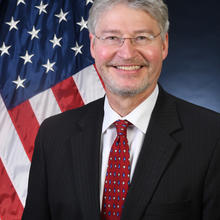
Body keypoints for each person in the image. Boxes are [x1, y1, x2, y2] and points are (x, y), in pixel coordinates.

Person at [22, 0, 220, 219]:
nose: (127, 53)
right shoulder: (54, 135)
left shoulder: (211, 137)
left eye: (142, 37)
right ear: (93, 46)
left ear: (164, 45)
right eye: (112, 38)